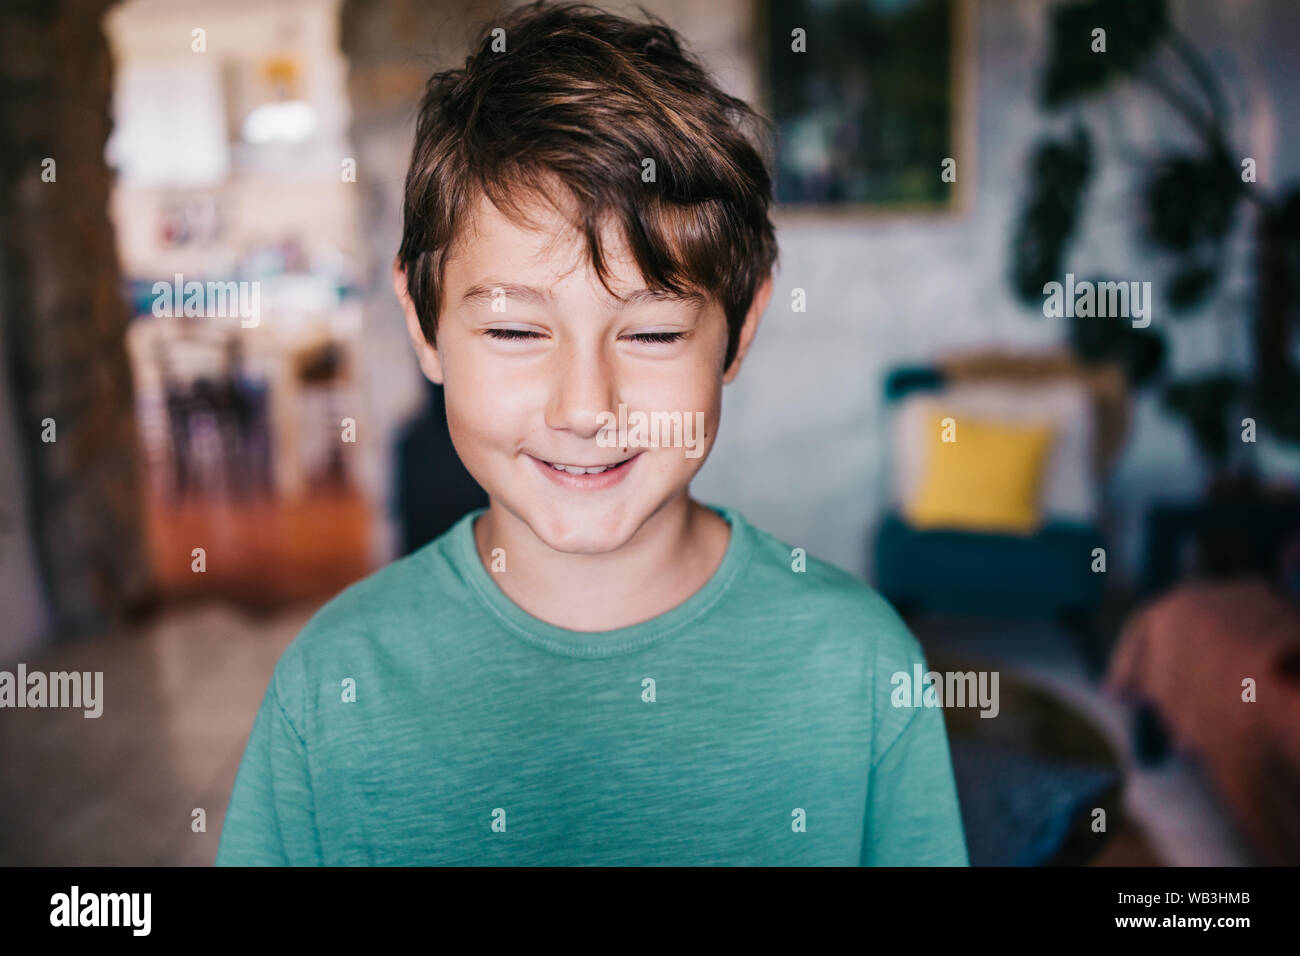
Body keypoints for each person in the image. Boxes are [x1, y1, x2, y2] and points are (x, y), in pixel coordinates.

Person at [216, 0, 968, 867]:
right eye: (513, 331)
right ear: (425, 327)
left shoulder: (863, 669)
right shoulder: (330, 688)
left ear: (739, 329)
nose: (585, 407)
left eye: (651, 333)